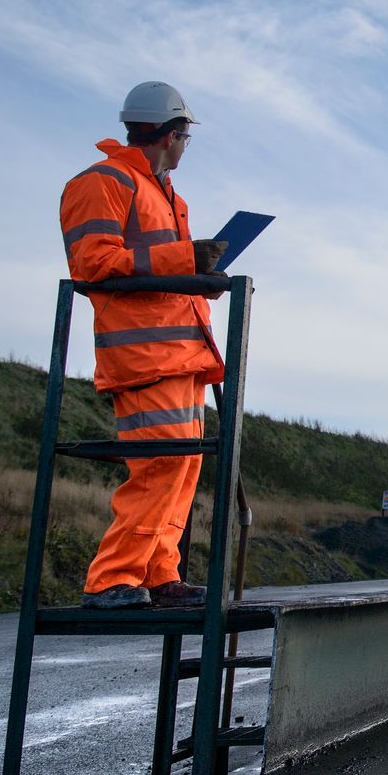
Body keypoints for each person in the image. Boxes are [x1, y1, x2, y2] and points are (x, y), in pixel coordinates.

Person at [58, 82, 228, 610]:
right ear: (170, 134)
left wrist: (202, 276)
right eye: (185, 137)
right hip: (144, 356)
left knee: (181, 468)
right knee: (158, 466)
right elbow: (92, 263)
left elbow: (161, 266)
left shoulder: (165, 194)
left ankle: (160, 575)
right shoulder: (103, 182)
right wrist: (185, 262)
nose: (184, 148)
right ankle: (111, 579)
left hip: (181, 356)